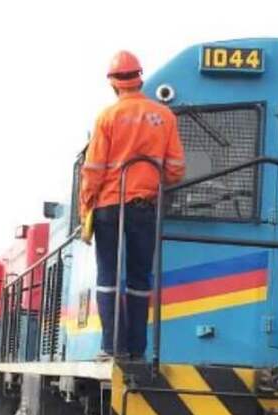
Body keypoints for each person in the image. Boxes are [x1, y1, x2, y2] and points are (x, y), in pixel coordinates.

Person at [79, 50, 186, 360]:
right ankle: (137, 349)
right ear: (139, 78)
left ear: (113, 84)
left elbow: (93, 169)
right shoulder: (165, 116)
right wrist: (153, 184)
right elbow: (176, 168)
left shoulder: (107, 118)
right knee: (140, 278)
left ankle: (111, 348)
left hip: (109, 207)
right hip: (144, 206)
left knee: (108, 276)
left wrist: (86, 208)